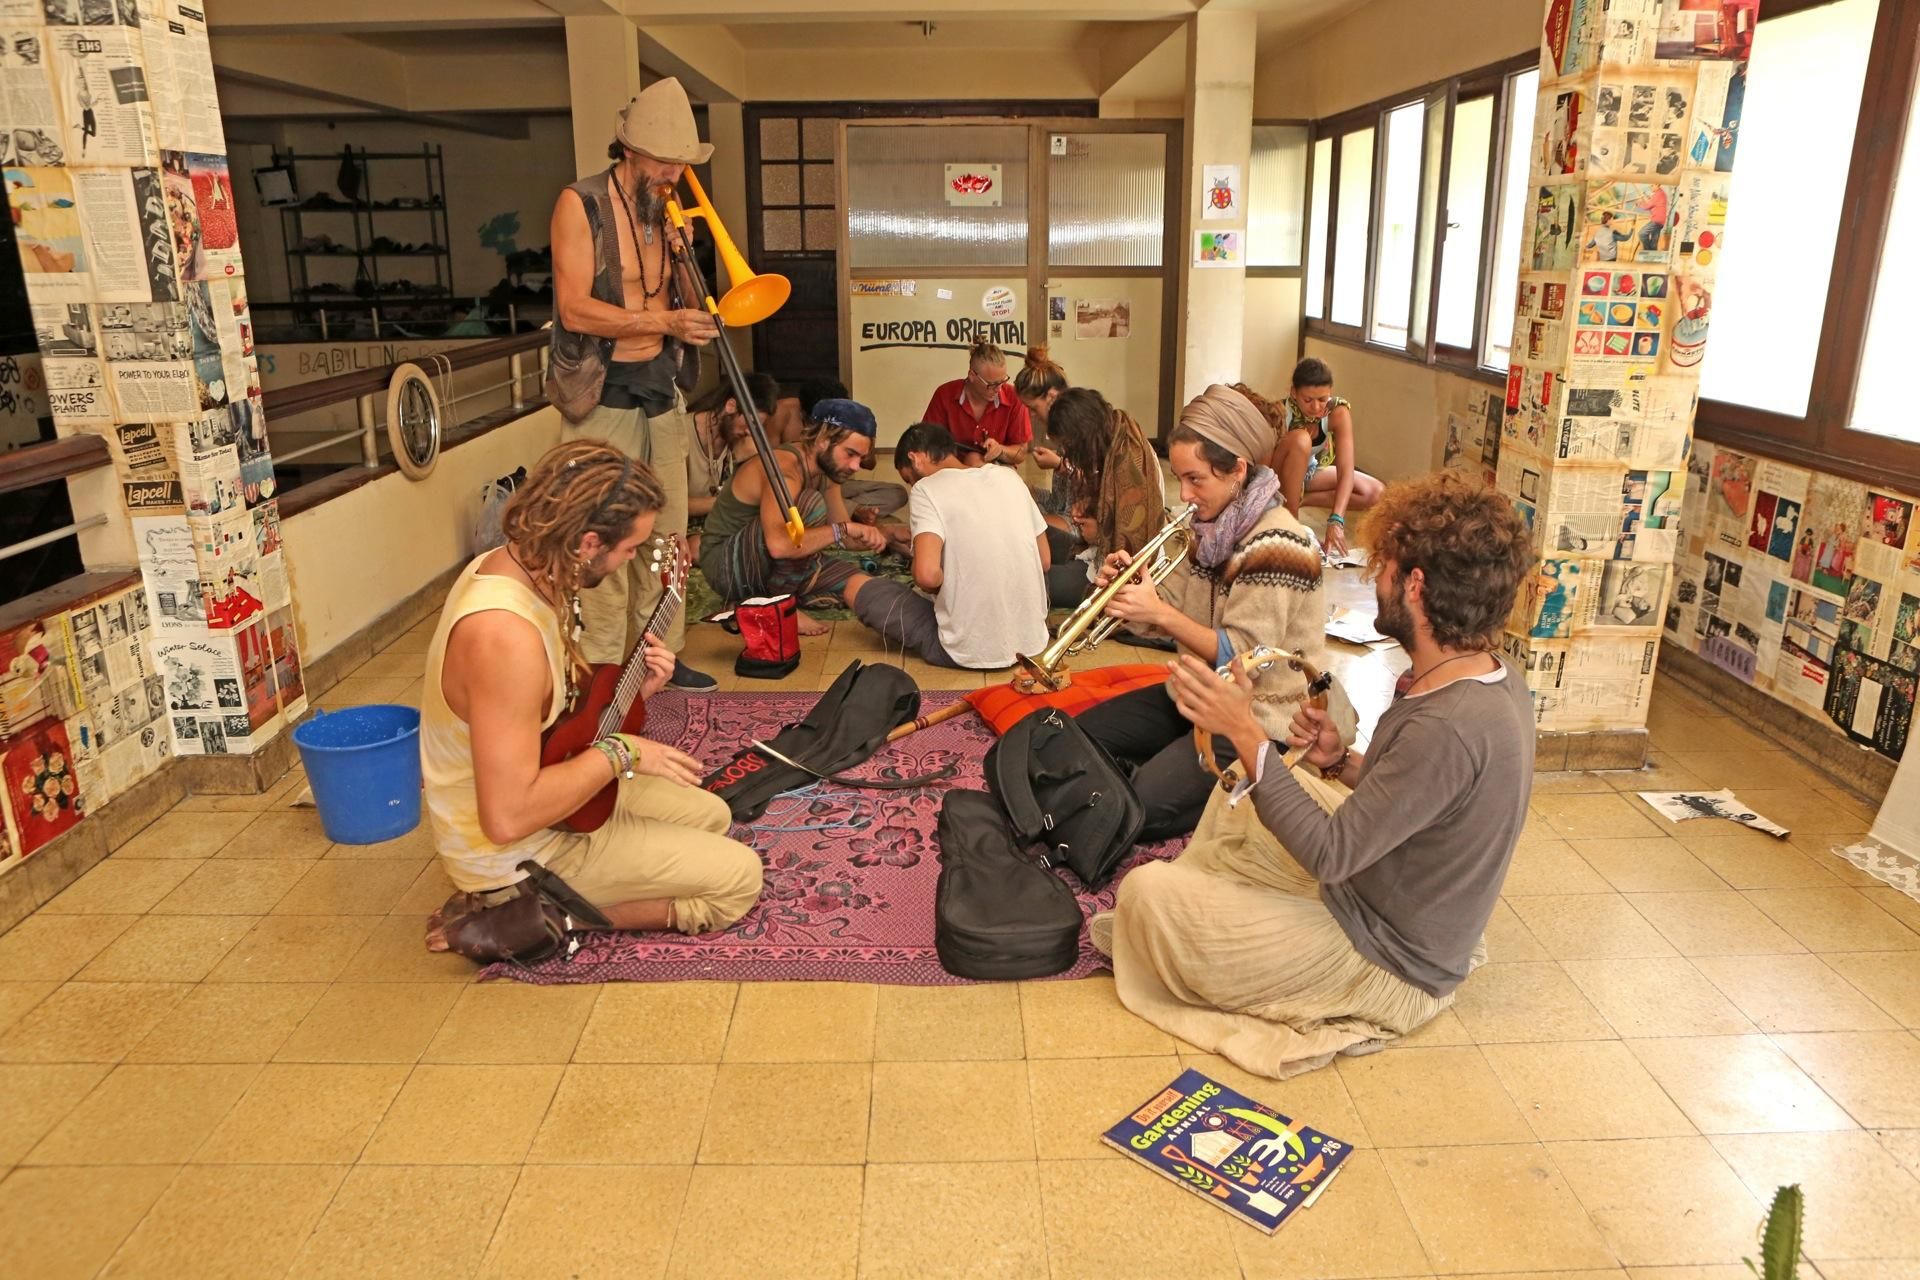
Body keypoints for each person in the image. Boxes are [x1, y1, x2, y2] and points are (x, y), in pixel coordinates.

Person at [1094, 470, 1535, 1078]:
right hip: (1378, 892)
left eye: (1380, 566)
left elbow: (1331, 856)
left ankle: (1225, 922)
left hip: (1387, 961)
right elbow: (1422, 798)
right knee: (1242, 798)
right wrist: (1341, 761)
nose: (1370, 577)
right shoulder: (1489, 677)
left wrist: (1247, 732)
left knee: (1147, 894)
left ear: (1414, 584)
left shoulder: (1449, 723)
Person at [421, 440, 763, 955]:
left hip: (552, 799)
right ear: (586, 542)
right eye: (629, 550)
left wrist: (631, 698)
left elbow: (551, 718)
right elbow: (507, 817)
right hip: (517, 847)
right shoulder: (502, 637)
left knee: (712, 815)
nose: (630, 562)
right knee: (738, 878)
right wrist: (623, 752)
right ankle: (525, 913)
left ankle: (554, 892)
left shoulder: (522, 565)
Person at [1073, 385, 1327, 844]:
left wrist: (1160, 614)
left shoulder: (1279, 543)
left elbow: (1248, 655)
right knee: (1078, 740)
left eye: (1196, 479)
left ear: (1237, 472)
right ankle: (1168, 773)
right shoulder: (1206, 529)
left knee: (1137, 810)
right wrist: (1128, 590)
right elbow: (1163, 606)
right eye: (1180, 478)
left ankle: (1232, 787)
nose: (1185, 495)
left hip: (1257, 718)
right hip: (1196, 694)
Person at [546, 76, 718, 690]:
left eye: (680, 165)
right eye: (665, 163)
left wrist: (685, 258)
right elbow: (574, 310)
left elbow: (692, 306)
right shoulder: (581, 203)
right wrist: (660, 319)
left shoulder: (666, 212)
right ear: (629, 153)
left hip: (660, 387)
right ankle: (601, 665)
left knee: (667, 533)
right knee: (606, 531)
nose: (674, 175)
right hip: (601, 393)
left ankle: (660, 660)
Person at [847, 422, 1049, 668]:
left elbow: (927, 577)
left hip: (966, 650)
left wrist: (951, 582)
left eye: (909, 479)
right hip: (1032, 642)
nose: (912, 486)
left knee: (856, 586)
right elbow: (1044, 560)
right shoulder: (1008, 476)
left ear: (916, 458)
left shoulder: (926, 489)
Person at [696, 397, 888, 636]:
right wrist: (843, 530)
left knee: (862, 583)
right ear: (822, 440)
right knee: (810, 505)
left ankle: (774, 596)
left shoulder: (828, 471)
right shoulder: (785, 471)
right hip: (726, 563)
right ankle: (779, 605)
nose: (855, 466)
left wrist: (875, 535)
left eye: (860, 457)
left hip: (778, 560)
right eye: (850, 454)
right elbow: (779, 546)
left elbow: (843, 534)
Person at [1042, 386, 1168, 610]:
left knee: (1033, 581)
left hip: (1114, 573)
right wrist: (1088, 508)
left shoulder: (1129, 462)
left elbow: (1132, 543)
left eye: (1067, 446)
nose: (1067, 453)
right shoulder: (1111, 439)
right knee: (1038, 535)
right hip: (1096, 553)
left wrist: (1097, 532)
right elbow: (1105, 504)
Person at [1244, 360, 1382, 555]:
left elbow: (1346, 469)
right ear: (1293, 392)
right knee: (1301, 439)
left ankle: (1297, 501)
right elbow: (1262, 471)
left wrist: (1336, 520)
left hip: (1307, 473)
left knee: (1375, 492)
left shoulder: (1338, 412)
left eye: (1322, 399)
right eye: (1308, 400)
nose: (1316, 407)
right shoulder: (1279, 412)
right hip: (1276, 478)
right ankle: (1291, 526)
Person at [920, 339, 1033, 468]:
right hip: (951, 466)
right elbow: (928, 444)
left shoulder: (1013, 397)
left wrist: (1001, 450)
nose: (999, 389)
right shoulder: (945, 394)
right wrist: (967, 469)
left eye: (1003, 381)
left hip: (997, 468)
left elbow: (1021, 452)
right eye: (992, 384)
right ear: (972, 375)